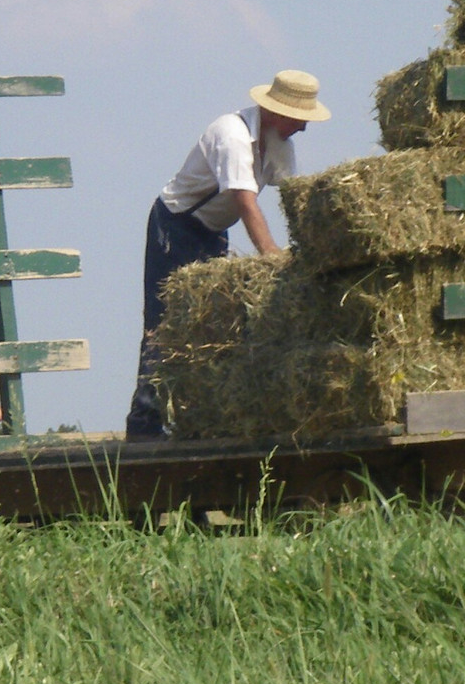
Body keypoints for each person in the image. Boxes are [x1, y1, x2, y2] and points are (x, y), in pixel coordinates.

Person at [125, 70, 330, 439]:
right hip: (174, 226)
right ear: (279, 112)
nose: (303, 129)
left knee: (214, 323)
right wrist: (273, 260)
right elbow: (245, 202)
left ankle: (199, 418)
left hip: (213, 231)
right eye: (301, 119)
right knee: (164, 324)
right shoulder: (232, 135)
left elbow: (293, 197)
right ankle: (144, 424)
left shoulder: (279, 143)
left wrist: (313, 248)